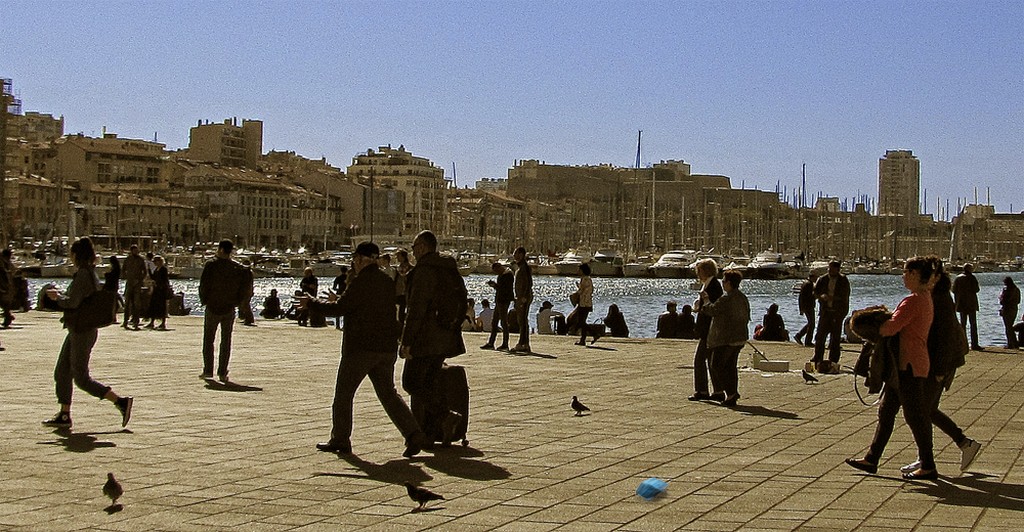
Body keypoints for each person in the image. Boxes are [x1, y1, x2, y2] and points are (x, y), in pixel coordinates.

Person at [304, 242, 430, 457]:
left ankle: (340, 439)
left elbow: (340, 309)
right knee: (388, 394)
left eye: (355, 260)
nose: (354, 263)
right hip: (386, 347)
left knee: (343, 394)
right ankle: (413, 433)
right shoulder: (386, 281)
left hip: (361, 348)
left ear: (361, 259)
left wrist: (312, 303)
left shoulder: (360, 281)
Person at [846, 256, 938, 480]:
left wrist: (873, 321)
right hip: (907, 364)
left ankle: (928, 465)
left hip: (909, 364)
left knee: (914, 415)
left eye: (906, 272)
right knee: (886, 411)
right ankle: (872, 458)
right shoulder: (925, 297)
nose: (903, 276)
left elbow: (890, 328)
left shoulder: (913, 301)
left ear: (915, 275)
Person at [41, 237, 133, 429]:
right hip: (78, 328)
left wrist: (57, 297)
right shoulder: (90, 273)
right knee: (62, 371)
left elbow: (73, 302)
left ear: (76, 255)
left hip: (82, 330)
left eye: (71, 253)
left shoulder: (83, 275)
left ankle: (120, 401)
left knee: (81, 377)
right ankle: (64, 414)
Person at [903, 258, 982, 474]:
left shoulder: (939, 299)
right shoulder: (933, 296)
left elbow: (944, 337)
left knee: (924, 410)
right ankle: (928, 456)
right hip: (935, 361)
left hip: (940, 363)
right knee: (925, 410)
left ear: (936, 277)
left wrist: (939, 370)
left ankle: (962, 443)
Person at [400, 230, 466, 442]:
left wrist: (407, 341)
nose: (413, 251)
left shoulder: (424, 271)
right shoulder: (448, 269)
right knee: (429, 382)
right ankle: (435, 429)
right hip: (445, 336)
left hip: (426, 338)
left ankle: (446, 416)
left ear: (422, 247)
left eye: (414, 247)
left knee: (410, 382)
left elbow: (416, 310)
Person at [198, 239, 247, 381]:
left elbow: (203, 285)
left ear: (220, 249)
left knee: (208, 340)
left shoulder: (211, 265)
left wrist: (204, 300)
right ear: (231, 251)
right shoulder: (236, 268)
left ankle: (208, 370)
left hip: (213, 306)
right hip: (229, 308)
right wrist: (237, 302)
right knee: (226, 341)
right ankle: (222, 372)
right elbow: (243, 287)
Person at [700, 269, 750, 407]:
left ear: (728, 283)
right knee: (730, 367)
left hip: (726, 338)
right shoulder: (742, 297)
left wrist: (705, 300)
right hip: (740, 337)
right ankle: (732, 393)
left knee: (717, 365)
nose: (722, 284)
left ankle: (730, 392)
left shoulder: (726, 298)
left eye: (723, 281)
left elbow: (712, 310)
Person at [689, 258, 723, 401]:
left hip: (709, 328)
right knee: (710, 360)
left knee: (700, 360)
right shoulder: (711, 284)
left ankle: (702, 390)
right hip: (709, 328)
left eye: (699, 271)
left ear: (704, 271)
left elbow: (712, 308)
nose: (698, 274)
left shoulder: (712, 286)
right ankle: (717, 390)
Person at [811, 260, 851, 374]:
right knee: (820, 337)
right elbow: (815, 292)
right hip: (825, 312)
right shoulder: (822, 279)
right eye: (829, 268)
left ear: (838, 269)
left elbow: (845, 296)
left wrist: (833, 298)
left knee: (835, 339)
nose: (830, 270)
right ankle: (818, 359)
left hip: (837, 313)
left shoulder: (843, 280)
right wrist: (821, 296)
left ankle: (833, 361)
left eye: (832, 269)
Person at [481, 261, 513, 350]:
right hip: (499, 300)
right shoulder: (503, 274)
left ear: (499, 268)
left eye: (496, 271)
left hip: (504, 300)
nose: (496, 273)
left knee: (503, 322)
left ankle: (505, 344)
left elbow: (505, 289)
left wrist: (495, 286)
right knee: (494, 322)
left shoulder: (507, 275)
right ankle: (491, 343)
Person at [952, 263, 982, 350]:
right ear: (969, 269)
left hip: (961, 304)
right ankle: (974, 344)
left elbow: (953, 290)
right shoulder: (972, 277)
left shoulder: (958, 278)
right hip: (971, 304)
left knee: (963, 325)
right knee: (973, 324)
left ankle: (963, 344)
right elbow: (977, 289)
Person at [121, 244, 148, 330]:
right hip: (129, 283)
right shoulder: (128, 259)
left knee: (136, 304)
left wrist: (139, 280)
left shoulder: (141, 260)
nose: (136, 252)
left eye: (137, 250)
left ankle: (136, 322)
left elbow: (145, 272)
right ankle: (125, 321)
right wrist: (127, 277)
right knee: (127, 303)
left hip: (137, 284)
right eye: (134, 250)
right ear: (131, 251)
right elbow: (123, 270)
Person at [145, 255, 171, 330]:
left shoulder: (163, 269)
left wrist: (159, 285)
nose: (155, 263)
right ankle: (152, 322)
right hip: (156, 289)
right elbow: (153, 277)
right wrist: (149, 270)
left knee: (162, 306)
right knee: (153, 305)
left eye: (156, 261)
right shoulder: (157, 269)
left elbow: (164, 280)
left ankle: (163, 323)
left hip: (161, 290)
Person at [573, 263, 595, 346]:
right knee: (582, 321)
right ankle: (583, 339)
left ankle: (593, 333)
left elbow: (582, 291)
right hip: (587, 303)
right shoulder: (587, 279)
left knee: (581, 321)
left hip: (584, 303)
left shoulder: (584, 279)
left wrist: (576, 293)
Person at [794, 274, 818, 346]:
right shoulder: (808, 284)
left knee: (810, 323)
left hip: (807, 306)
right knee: (812, 324)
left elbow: (801, 297)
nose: (816, 279)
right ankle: (807, 341)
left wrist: (801, 308)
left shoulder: (806, 284)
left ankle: (799, 335)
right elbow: (806, 297)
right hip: (808, 306)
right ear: (812, 277)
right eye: (815, 277)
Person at [999, 276, 1020, 349]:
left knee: (1008, 327)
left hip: (1007, 309)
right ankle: (1014, 343)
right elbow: (1018, 301)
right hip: (1014, 309)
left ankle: (1011, 343)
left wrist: (1001, 297)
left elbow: (1003, 301)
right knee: (1010, 326)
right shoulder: (1016, 289)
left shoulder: (1006, 290)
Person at [1, 248, 17, 328]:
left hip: (5, 286)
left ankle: (8, 317)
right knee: (5, 304)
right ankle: (8, 317)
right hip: (7, 286)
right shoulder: (7, 264)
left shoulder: (4, 263)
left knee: (4, 303)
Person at [394, 251, 411, 323]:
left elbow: (403, 275)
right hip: (400, 289)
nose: (397, 258)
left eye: (398, 256)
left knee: (402, 307)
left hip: (403, 290)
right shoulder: (400, 266)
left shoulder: (405, 266)